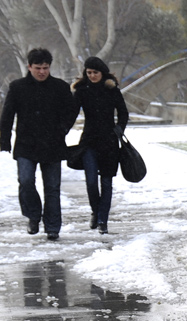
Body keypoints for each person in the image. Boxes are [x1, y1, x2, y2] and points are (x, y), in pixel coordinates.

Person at [0, 48, 76, 241]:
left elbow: (71, 111)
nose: (42, 72)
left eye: (45, 68)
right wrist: (5, 139)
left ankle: (52, 226)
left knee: (52, 187)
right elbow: (7, 114)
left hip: (53, 144)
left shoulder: (60, 87)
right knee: (26, 181)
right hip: (26, 144)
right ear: (29, 67)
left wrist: (62, 129)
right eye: (38, 68)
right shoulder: (18, 87)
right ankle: (33, 215)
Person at [72, 56, 129, 235]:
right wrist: (61, 129)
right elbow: (72, 113)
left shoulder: (111, 90)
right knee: (90, 182)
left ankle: (103, 220)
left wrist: (119, 128)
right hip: (89, 141)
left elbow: (123, 112)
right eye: (89, 73)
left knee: (106, 182)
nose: (92, 76)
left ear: (102, 73)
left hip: (109, 142)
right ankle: (95, 212)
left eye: (95, 72)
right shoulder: (82, 91)